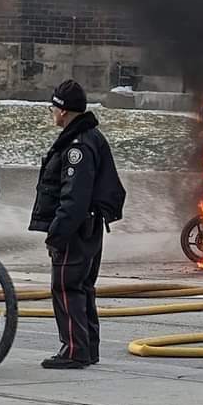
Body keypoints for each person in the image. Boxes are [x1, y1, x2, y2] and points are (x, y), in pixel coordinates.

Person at [29, 79, 125, 371]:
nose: (50, 111)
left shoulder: (77, 147)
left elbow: (74, 198)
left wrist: (56, 235)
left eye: (53, 106)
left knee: (67, 286)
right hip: (90, 227)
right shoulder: (89, 137)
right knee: (83, 287)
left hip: (77, 230)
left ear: (64, 111)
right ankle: (87, 348)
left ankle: (73, 350)